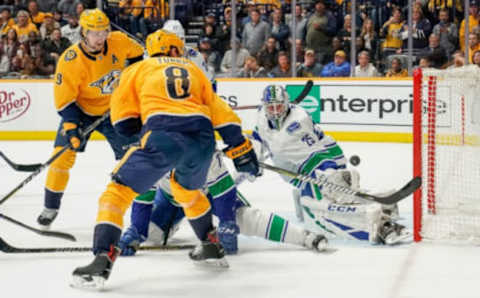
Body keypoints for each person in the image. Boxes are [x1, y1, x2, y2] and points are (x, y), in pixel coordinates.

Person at [71, 29, 260, 288]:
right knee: (187, 193)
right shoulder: (194, 70)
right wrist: (240, 147)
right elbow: (221, 112)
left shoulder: (137, 70)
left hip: (163, 135)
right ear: (173, 49)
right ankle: (211, 245)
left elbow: (123, 122)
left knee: (116, 193)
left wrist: (139, 126)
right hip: (203, 140)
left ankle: (102, 258)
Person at [251, 85, 411, 246]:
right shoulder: (261, 115)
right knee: (332, 196)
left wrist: (329, 172)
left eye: (278, 106)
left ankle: (383, 226)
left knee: (328, 203)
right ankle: (384, 203)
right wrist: (254, 155)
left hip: (318, 161)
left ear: (285, 103)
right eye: (270, 107)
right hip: (296, 170)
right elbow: (258, 135)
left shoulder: (298, 121)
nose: (275, 111)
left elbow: (311, 151)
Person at [36, 9, 144, 229]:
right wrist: (72, 127)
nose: (101, 37)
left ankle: (142, 210)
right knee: (61, 157)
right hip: (82, 112)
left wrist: (129, 81)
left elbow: (137, 55)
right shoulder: (70, 60)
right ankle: (50, 207)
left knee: (135, 158)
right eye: (95, 33)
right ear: (83, 32)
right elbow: (65, 101)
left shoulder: (119, 41)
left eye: (104, 31)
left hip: (116, 111)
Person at [118, 150, 328, 256]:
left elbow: (224, 190)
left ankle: (304, 237)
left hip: (206, 192)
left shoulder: (205, 150)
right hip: (170, 197)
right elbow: (143, 197)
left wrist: (228, 222)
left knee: (246, 218)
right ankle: (178, 226)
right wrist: (137, 230)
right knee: (152, 236)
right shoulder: (150, 152)